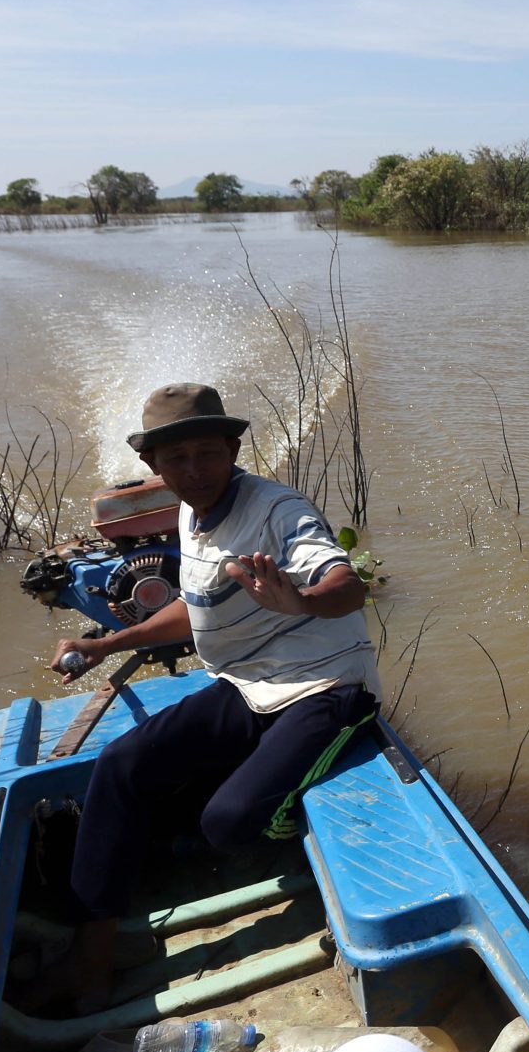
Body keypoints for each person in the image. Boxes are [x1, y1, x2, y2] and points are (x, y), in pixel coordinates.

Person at [38, 383, 379, 1013]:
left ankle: (257, 803)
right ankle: (94, 955)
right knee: (122, 764)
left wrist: (300, 599)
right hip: (246, 682)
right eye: (177, 459)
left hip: (324, 687)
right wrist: (108, 644)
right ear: (153, 466)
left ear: (232, 451)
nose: (194, 470)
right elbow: (194, 611)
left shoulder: (277, 510)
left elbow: (347, 586)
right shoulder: (190, 512)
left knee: (230, 823)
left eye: (207, 454)